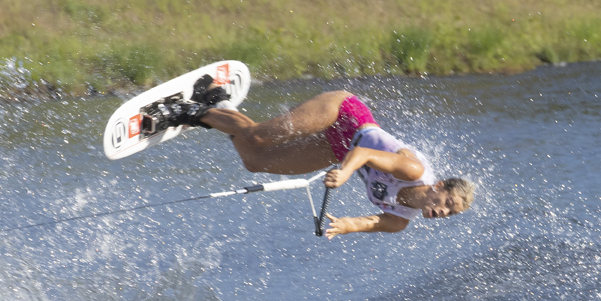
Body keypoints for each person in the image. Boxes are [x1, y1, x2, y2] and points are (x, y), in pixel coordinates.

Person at [143, 79, 474, 238]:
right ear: (440, 185)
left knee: (256, 160)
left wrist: (344, 227)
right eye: (446, 203)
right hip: (344, 116)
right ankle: (184, 111)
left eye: (448, 214)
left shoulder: (402, 219)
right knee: (260, 135)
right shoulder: (414, 170)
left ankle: (218, 103)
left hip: (336, 149)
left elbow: (371, 222)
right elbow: (366, 154)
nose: (441, 212)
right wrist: (344, 174)